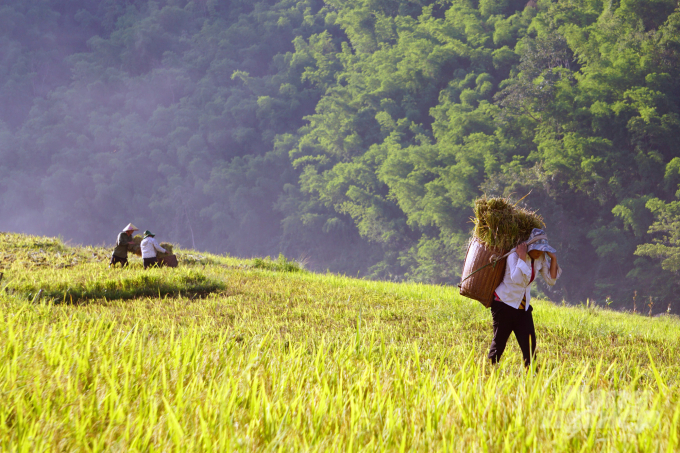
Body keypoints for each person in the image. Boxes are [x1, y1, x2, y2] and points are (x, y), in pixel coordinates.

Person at [488, 228, 562, 367]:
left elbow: (551, 280)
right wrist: (522, 258)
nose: (540, 252)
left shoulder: (540, 258)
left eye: (542, 250)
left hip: (523, 307)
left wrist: (553, 258)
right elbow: (516, 279)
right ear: (529, 246)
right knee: (500, 342)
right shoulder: (514, 255)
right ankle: (490, 372)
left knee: (529, 345)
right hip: (504, 304)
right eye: (537, 249)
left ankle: (531, 376)